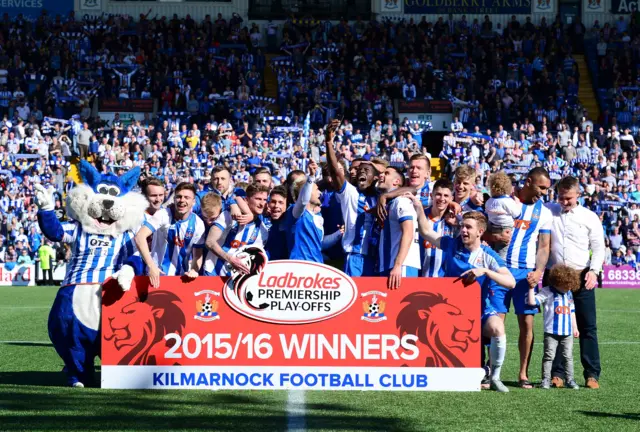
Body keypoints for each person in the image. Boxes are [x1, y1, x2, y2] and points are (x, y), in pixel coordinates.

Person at [414, 208, 516, 392]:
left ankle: (494, 377)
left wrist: (485, 271)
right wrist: (418, 208)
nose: (464, 230)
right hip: (449, 312)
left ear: (480, 232)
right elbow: (426, 231)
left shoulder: (487, 255)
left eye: (468, 227)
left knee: (497, 327)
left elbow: (511, 282)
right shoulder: (452, 245)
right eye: (462, 226)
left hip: (478, 310)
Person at [546, 176, 605, 389]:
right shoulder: (548, 211)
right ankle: (557, 374)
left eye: (568, 198)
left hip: (582, 277)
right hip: (555, 279)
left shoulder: (589, 217)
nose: (564, 202)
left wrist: (594, 271)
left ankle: (591, 374)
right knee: (557, 327)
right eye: (561, 197)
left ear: (578, 195)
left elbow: (599, 247)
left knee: (588, 327)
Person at [497, 167, 552, 389]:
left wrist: (538, 272)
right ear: (529, 181)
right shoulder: (505, 202)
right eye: (541, 187)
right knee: (495, 323)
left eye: (547, 189)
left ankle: (523, 374)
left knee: (527, 325)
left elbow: (544, 246)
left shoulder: (544, 213)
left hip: (525, 273)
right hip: (500, 269)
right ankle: (492, 371)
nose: (543, 193)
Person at [325, 118, 378, 276]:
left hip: (377, 257)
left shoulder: (381, 195)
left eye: (366, 170)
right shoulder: (351, 192)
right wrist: (328, 143)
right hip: (355, 257)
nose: (361, 172)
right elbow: (335, 172)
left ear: (375, 177)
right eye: (358, 170)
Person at [135, 182, 205, 288]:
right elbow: (140, 237)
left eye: (187, 197)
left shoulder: (198, 224)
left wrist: (194, 270)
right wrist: (151, 266)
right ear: (174, 199)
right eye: (179, 197)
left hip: (181, 279)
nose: (182, 200)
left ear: (194, 202)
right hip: (156, 276)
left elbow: (197, 255)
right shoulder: (163, 215)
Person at [527, 264, 580, 390]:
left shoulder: (568, 294)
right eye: (566, 285)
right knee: (549, 356)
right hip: (551, 331)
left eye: (570, 286)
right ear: (558, 281)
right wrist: (531, 288)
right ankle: (545, 380)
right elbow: (533, 302)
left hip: (567, 332)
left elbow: (572, 311)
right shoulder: (547, 291)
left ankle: (570, 380)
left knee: (568, 356)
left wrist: (575, 328)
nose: (568, 288)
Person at [204, 184, 270, 275]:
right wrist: (230, 259)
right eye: (258, 199)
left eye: (265, 200)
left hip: (236, 279)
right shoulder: (228, 215)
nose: (262, 203)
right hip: (213, 273)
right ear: (246, 200)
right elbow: (210, 242)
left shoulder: (262, 230)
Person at [284, 161, 342, 263]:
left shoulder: (318, 216)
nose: (320, 193)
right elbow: (303, 201)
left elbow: (320, 244)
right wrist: (311, 177)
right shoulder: (295, 212)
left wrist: (339, 233)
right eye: (316, 190)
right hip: (299, 265)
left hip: (317, 266)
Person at [377, 166, 420, 288]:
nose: (381, 175)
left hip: (402, 267)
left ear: (397, 181)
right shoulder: (390, 203)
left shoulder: (401, 201)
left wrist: (398, 265)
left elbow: (408, 232)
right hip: (389, 265)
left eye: (387, 173)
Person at [419, 178, 459, 277]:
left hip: (443, 280)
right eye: (438, 194)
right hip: (418, 278)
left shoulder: (454, 221)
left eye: (446, 195)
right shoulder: (420, 217)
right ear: (431, 195)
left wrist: (459, 223)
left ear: (451, 198)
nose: (441, 199)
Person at [485, 171, 522, 259]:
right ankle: (499, 270)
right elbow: (517, 215)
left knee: (491, 250)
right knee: (500, 255)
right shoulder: (508, 201)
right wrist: (518, 203)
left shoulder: (489, 201)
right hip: (504, 229)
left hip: (491, 227)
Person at [264, 186, 288, 260]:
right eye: (273, 202)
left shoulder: (291, 223)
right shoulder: (261, 221)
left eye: (281, 202)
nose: (276, 205)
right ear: (268, 204)